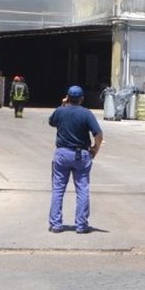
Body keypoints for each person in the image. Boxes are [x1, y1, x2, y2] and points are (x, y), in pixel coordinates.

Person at [47, 84, 103, 233]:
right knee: (82, 189)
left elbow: (51, 122)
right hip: (81, 155)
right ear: (82, 99)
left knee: (58, 189)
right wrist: (95, 149)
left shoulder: (60, 111)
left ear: (68, 97)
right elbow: (98, 134)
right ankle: (81, 225)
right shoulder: (86, 114)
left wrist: (63, 104)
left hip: (62, 154)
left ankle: (56, 224)